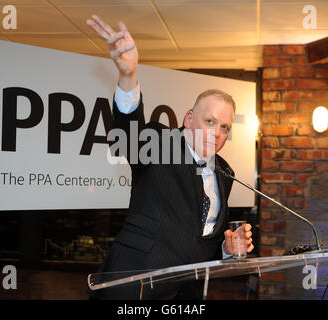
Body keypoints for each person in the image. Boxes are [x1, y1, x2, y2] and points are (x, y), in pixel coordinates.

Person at [86, 15, 254, 300]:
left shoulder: (225, 172)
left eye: (225, 127)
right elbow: (129, 135)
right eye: (210, 121)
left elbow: (197, 242)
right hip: (131, 288)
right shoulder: (160, 143)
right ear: (189, 119)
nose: (217, 133)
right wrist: (128, 76)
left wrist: (227, 249)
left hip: (184, 296)